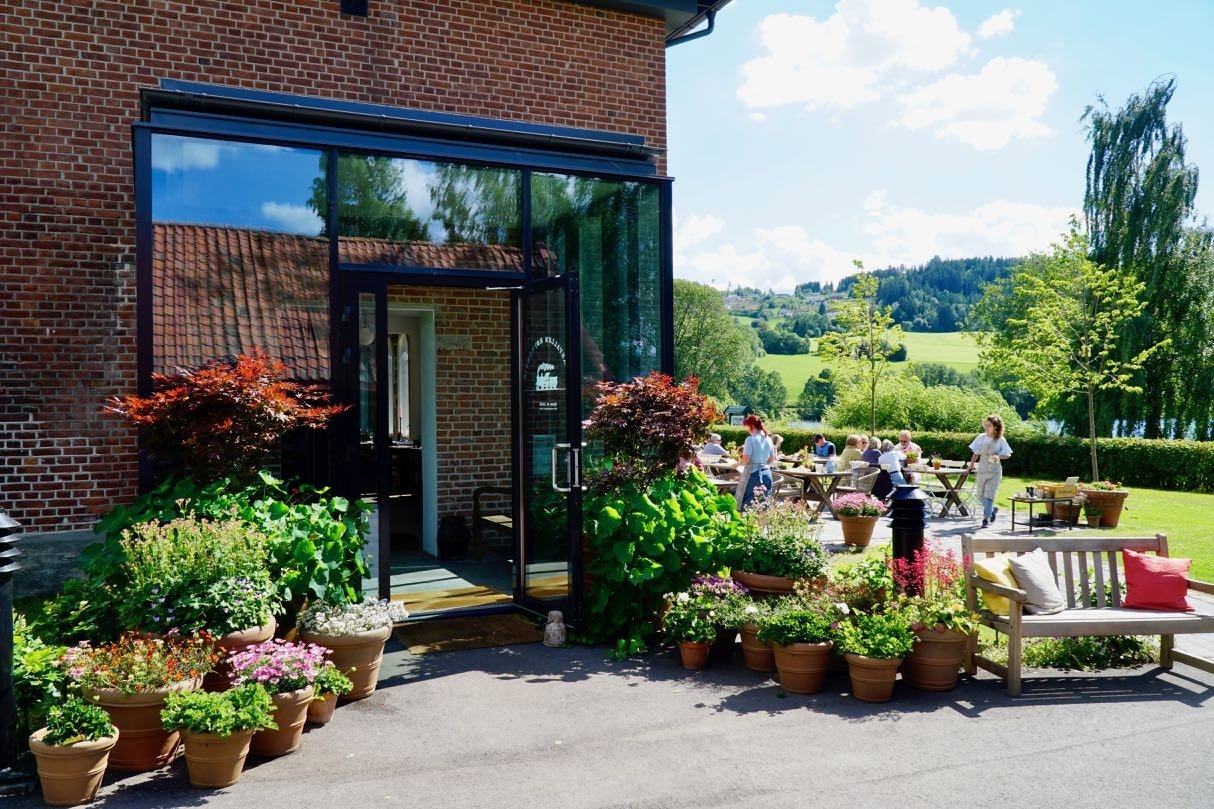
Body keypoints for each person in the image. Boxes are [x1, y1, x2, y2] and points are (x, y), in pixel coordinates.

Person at [967, 414, 1013, 529]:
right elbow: (976, 452)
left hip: (994, 472)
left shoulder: (1000, 440)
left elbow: (1007, 454)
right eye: (985, 425)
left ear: (996, 427)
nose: (986, 427)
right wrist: (971, 464)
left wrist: (998, 456)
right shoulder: (981, 437)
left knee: (989, 495)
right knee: (980, 495)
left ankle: (985, 519)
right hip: (982, 470)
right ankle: (992, 510)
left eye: (989, 425)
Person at [736, 415, 775, 511]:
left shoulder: (750, 439)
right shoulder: (769, 439)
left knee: (741, 503)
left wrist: (736, 464)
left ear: (751, 426)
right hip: (766, 473)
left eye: (746, 426)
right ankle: (760, 527)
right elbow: (771, 460)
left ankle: (740, 525)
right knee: (763, 506)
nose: (746, 429)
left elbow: (745, 461)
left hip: (752, 474)